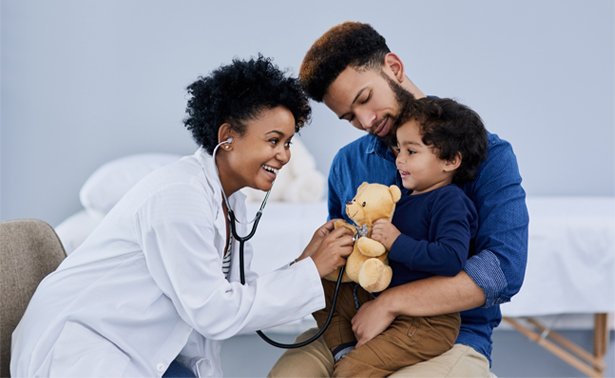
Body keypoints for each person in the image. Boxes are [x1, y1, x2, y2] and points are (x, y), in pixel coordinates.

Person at [10, 55, 354, 378]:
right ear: (227, 137)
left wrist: (302, 263)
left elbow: (237, 295)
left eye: (289, 143)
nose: (284, 156)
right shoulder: (179, 198)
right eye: (274, 140)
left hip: (131, 349)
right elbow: (215, 313)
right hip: (82, 350)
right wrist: (310, 271)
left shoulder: (232, 204)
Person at [269, 22, 529, 377]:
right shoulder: (348, 163)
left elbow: (503, 270)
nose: (365, 121)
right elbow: (347, 267)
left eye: (364, 99)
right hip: (357, 327)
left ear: (394, 68)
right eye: (349, 117)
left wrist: (391, 303)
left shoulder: (487, 155)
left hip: (450, 335)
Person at [312, 96, 488, 377]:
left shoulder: (449, 201)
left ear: (451, 160)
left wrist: (396, 243)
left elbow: (451, 258)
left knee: (349, 373)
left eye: (412, 151)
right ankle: (345, 348)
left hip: (427, 321)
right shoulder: (403, 201)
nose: (399, 158)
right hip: (385, 307)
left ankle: (351, 363)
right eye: (398, 148)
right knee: (317, 284)